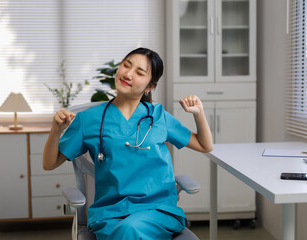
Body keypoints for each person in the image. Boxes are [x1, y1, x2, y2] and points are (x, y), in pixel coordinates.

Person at [43, 47, 213, 240]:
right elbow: (50, 163)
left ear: (150, 86)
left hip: (157, 211)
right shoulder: (88, 120)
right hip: (110, 214)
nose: (128, 74)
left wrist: (199, 113)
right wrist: (56, 130)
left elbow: (204, 145)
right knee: (126, 229)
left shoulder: (158, 117)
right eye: (126, 65)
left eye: (140, 73)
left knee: (129, 229)